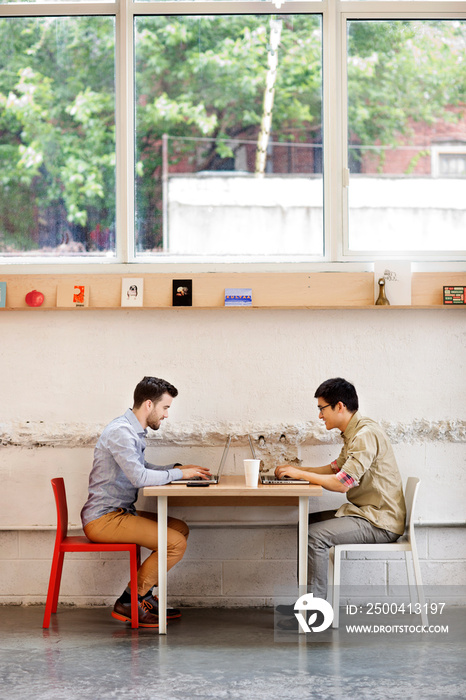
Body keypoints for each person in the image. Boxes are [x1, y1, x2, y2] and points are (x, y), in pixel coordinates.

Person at [80, 376, 211, 628]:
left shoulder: (131, 431)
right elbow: (139, 477)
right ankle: (130, 600)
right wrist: (180, 475)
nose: (166, 415)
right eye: (166, 408)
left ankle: (145, 597)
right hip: (104, 519)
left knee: (179, 529)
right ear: (149, 405)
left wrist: (175, 469)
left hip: (120, 513)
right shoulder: (121, 432)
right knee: (175, 543)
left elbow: (141, 467)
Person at [275, 377, 406, 605]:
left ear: (339, 406)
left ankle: (314, 611)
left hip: (379, 521)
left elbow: (342, 483)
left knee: (313, 536)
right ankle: (307, 602)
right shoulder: (355, 432)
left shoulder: (365, 435)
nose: (319, 415)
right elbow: (335, 468)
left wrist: (301, 475)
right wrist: (296, 470)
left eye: (322, 408)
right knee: (304, 526)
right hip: (365, 513)